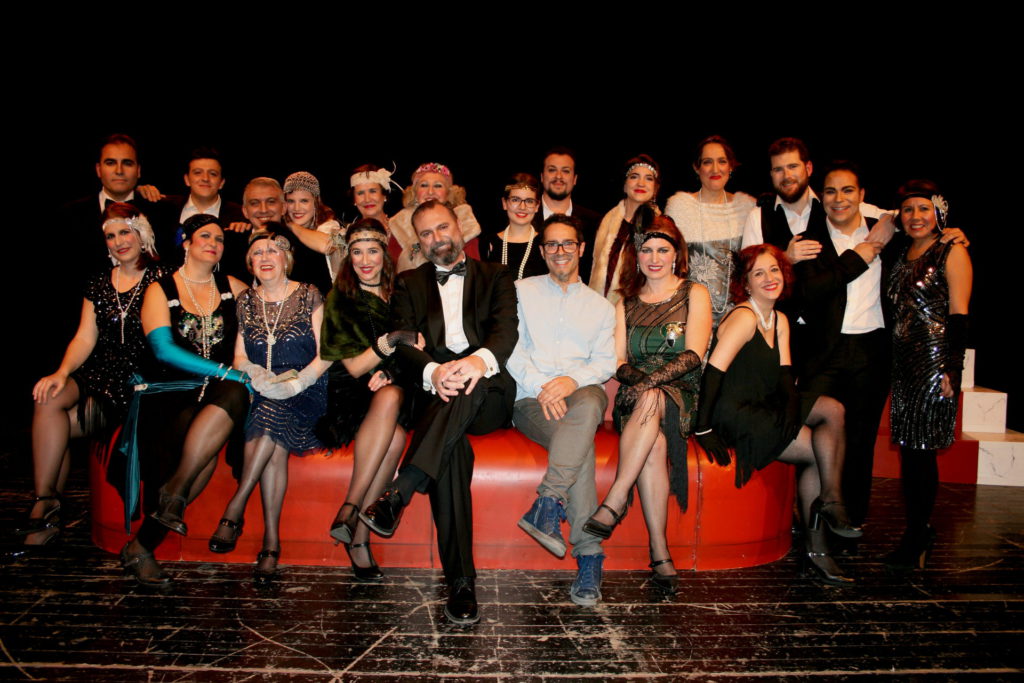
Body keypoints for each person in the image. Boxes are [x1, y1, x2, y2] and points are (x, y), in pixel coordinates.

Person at [359, 200, 518, 625]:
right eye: (426, 233)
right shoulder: (409, 283)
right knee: (451, 455)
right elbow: (403, 344)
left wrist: (473, 364)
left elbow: (505, 332)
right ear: (418, 242)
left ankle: (401, 489)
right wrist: (434, 371)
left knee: (471, 382)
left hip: (487, 392)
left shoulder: (496, 275)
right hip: (434, 396)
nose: (436, 238)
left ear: (459, 227)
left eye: (442, 227)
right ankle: (461, 583)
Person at [694, 244, 861, 586]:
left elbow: (786, 375)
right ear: (746, 283)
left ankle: (831, 499)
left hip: (765, 402)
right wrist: (703, 428)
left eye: (774, 270)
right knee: (817, 449)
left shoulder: (779, 318)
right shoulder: (744, 317)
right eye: (758, 273)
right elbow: (713, 373)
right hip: (736, 412)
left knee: (834, 409)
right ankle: (818, 549)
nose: (769, 278)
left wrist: (792, 409)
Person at [13, 204, 165, 555]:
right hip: (98, 371)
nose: (118, 241)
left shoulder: (163, 276)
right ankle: (45, 500)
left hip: (135, 380)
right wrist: (61, 372)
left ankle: (46, 511)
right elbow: (84, 337)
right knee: (48, 396)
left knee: (58, 428)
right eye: (110, 236)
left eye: (124, 232)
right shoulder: (98, 282)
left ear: (141, 234)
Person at [119, 214, 251, 587]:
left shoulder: (234, 287)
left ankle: (167, 505)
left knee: (233, 397)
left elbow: (270, 318)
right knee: (204, 443)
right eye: (205, 236)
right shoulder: (159, 289)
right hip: (169, 391)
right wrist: (226, 371)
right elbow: (162, 349)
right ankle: (144, 540)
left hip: (220, 392)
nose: (214, 243)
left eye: (220, 239)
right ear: (186, 243)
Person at [583, 216, 712, 594]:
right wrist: (641, 385)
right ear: (636, 256)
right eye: (646, 250)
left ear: (676, 255)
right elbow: (618, 362)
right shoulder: (624, 303)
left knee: (653, 397)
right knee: (653, 444)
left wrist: (647, 385)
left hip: (681, 391)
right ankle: (659, 551)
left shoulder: (694, 293)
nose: (654, 258)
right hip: (636, 397)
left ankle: (616, 498)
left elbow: (694, 354)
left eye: (662, 250)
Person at [207, 229, 331, 585]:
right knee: (272, 434)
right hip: (262, 390)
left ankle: (236, 506)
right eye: (258, 252)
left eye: (273, 250)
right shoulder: (246, 300)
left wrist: (296, 383)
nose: (265, 257)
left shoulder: (309, 293)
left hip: (307, 387)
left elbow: (327, 354)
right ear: (250, 262)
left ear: (286, 258)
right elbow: (239, 356)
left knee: (271, 413)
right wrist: (256, 374)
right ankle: (271, 544)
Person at [508, 214, 616, 605]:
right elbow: (510, 349)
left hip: (581, 396)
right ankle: (589, 555)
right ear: (542, 251)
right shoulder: (520, 292)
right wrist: (544, 386)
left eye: (567, 243)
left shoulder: (601, 307)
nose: (560, 251)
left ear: (581, 248)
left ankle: (548, 501)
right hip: (531, 399)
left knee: (588, 400)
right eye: (551, 244)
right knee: (579, 448)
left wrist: (570, 381)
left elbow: (605, 363)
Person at [317, 218, 420, 582]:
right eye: (357, 252)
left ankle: (351, 516)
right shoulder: (340, 298)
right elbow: (356, 366)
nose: (364, 260)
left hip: (396, 387)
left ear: (384, 254)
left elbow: (417, 348)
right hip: (352, 392)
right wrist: (391, 340)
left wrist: (391, 370)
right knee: (394, 436)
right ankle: (357, 527)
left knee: (392, 401)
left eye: (372, 251)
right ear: (348, 256)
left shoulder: (401, 291)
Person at [885, 181, 972, 571]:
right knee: (909, 451)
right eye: (908, 210)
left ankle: (918, 535)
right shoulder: (900, 252)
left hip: (933, 364)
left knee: (921, 452)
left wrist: (953, 368)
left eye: (923, 209)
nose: (915, 216)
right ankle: (918, 531)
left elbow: (959, 314)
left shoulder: (952, 251)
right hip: (903, 365)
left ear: (939, 213)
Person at [665, 136, 756, 327]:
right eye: (707, 162)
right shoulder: (680, 207)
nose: (715, 169)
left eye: (722, 161)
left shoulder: (746, 207)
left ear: (731, 166)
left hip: (739, 316)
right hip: (690, 314)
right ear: (697, 168)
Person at [589, 154, 662, 304]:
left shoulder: (662, 228)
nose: (641, 183)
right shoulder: (604, 223)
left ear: (655, 188)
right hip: (598, 307)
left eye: (648, 178)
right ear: (624, 184)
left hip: (640, 309)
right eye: (634, 177)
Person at [388, 163, 482, 272]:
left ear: (449, 192)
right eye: (424, 185)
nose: (430, 192)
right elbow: (391, 269)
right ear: (414, 192)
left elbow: (474, 271)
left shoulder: (465, 221)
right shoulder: (399, 224)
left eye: (438, 186)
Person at [533, 147, 601, 279]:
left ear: (575, 179)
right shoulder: (524, 217)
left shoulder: (594, 223)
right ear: (542, 176)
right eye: (552, 170)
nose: (558, 176)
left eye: (565, 171)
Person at [280, 171, 341, 294]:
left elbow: (327, 245)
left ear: (316, 202)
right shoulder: (282, 231)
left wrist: (292, 225)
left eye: (304, 201)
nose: (296, 208)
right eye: (291, 201)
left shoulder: (329, 226)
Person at [482, 173, 548, 280]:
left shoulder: (546, 243)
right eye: (515, 200)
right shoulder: (489, 243)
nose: (522, 207)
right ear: (504, 203)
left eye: (529, 201)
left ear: (537, 206)